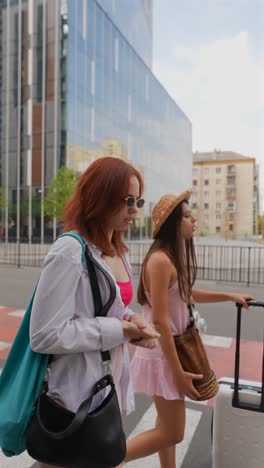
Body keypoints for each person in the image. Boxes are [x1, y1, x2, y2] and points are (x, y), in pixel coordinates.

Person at [29, 156, 160, 468]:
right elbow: (45, 334)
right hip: (74, 395)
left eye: (138, 200)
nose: (135, 209)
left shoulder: (115, 250)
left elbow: (111, 307)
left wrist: (132, 321)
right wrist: (120, 330)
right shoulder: (69, 251)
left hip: (104, 387)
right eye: (128, 200)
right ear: (99, 196)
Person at [125, 190, 254, 468]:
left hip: (169, 353)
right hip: (165, 355)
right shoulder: (160, 261)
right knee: (173, 431)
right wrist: (178, 373)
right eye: (186, 215)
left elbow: (186, 293)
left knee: (165, 424)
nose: (193, 219)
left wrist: (230, 295)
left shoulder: (169, 258)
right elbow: (159, 320)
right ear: (172, 223)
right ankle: (111, 460)